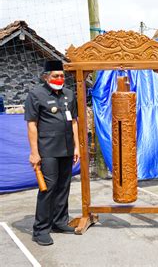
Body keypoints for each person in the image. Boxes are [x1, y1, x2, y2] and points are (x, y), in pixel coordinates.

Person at [24, 60, 80, 246]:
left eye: (62, 75)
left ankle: (59, 221)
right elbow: (32, 124)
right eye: (55, 75)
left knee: (64, 186)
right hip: (47, 149)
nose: (59, 78)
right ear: (46, 76)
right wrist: (34, 153)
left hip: (66, 148)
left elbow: (73, 122)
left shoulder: (69, 94)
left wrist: (77, 147)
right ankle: (40, 229)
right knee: (48, 188)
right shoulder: (35, 94)